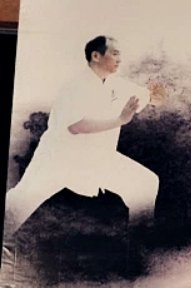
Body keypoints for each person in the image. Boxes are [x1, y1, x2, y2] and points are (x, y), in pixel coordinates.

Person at [4, 35, 167, 237]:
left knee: (145, 183)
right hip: (58, 158)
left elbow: (149, 96)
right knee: (20, 203)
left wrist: (156, 93)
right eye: (114, 53)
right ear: (96, 56)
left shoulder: (118, 85)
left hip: (94, 160)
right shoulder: (75, 86)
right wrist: (120, 120)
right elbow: (77, 126)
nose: (119, 59)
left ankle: (139, 246)